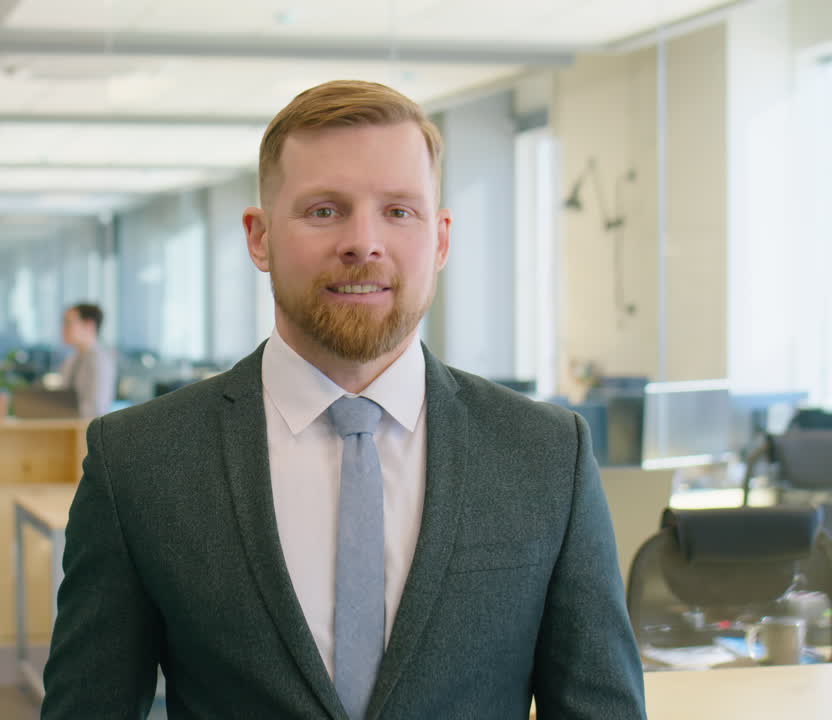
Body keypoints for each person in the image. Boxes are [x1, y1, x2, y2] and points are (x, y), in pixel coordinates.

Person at [41, 80, 645, 718]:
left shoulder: (547, 454)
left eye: (399, 211)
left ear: (440, 241)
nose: (363, 242)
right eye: (324, 210)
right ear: (259, 237)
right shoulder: (138, 460)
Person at [59, 302, 116, 419]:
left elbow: (97, 409)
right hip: (66, 426)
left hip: (87, 430)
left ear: (89, 325)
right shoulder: (72, 359)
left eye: (68, 323)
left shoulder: (100, 360)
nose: (63, 329)